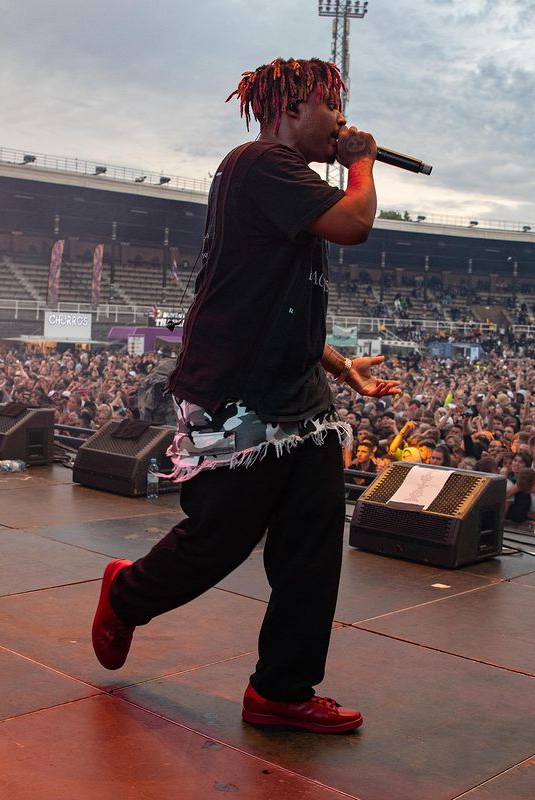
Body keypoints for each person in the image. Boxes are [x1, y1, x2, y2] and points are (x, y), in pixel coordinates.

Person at [92, 58, 399, 734]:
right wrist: (363, 162)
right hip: (233, 399)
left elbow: (279, 307)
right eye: (333, 108)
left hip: (300, 400)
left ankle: (281, 690)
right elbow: (357, 222)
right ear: (291, 107)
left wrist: (342, 366)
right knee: (219, 539)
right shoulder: (260, 162)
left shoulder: (283, 187)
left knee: (314, 541)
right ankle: (126, 593)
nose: (344, 123)